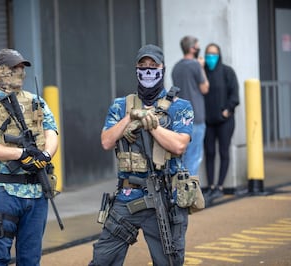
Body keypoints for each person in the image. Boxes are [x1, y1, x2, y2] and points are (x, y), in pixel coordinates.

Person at [89, 44, 194, 266]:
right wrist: (130, 117)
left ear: (162, 69)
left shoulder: (180, 106)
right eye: (143, 66)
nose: (148, 71)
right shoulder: (120, 106)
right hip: (127, 196)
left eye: (153, 66)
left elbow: (179, 146)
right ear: (136, 69)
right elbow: (107, 141)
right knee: (102, 260)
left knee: (168, 260)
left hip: (164, 197)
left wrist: (153, 126)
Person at [0, 48, 58, 266]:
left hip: (36, 192)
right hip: (3, 192)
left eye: (21, 67)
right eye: (13, 67)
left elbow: (51, 131)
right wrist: (21, 153)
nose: (19, 72)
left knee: (30, 258)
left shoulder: (36, 101)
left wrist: (45, 155)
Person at [203, 43, 239, 201]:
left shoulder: (227, 71)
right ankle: (210, 186)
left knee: (224, 152)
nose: (211, 57)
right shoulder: (202, 72)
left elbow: (234, 95)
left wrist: (227, 110)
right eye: (208, 54)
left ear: (219, 55)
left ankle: (220, 186)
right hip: (207, 121)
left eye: (214, 54)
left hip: (225, 121)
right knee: (209, 153)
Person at [172, 35, 209, 176]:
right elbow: (205, 88)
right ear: (193, 48)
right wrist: (201, 67)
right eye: (198, 46)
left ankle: (179, 192)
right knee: (194, 158)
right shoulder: (195, 65)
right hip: (196, 117)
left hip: (179, 118)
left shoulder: (176, 67)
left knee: (181, 159)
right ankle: (190, 194)